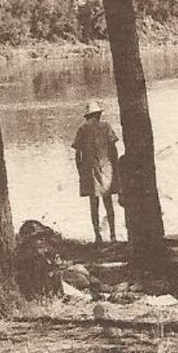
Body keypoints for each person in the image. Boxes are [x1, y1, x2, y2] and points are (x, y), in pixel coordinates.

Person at [72, 100, 119, 245]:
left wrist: (80, 170)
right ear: (98, 114)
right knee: (108, 203)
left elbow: (77, 153)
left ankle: (97, 236)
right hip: (106, 169)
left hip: (89, 170)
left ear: (87, 115)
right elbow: (113, 150)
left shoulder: (82, 129)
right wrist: (115, 167)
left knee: (94, 204)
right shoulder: (106, 127)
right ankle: (113, 235)